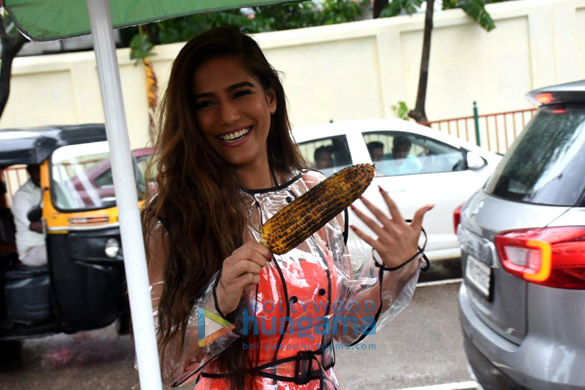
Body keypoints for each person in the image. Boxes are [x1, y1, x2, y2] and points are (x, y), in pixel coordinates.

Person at [141, 26, 433, 390]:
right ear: (191, 117)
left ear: (271, 99)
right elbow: (161, 361)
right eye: (206, 103)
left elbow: (344, 327)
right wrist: (216, 305)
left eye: (240, 93)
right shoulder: (171, 218)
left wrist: (398, 271)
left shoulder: (312, 193)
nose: (228, 115)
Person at [12, 165, 46, 267]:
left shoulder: (54, 187)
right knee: (62, 252)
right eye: (37, 169)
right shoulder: (22, 196)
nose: (40, 172)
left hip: (54, 242)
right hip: (33, 249)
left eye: (43, 168)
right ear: (29, 171)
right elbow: (35, 226)